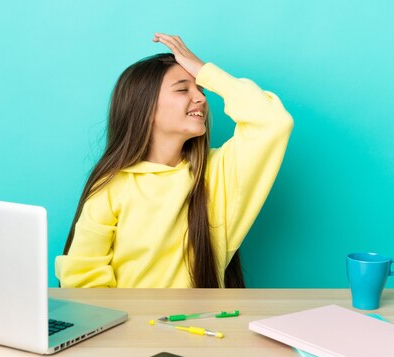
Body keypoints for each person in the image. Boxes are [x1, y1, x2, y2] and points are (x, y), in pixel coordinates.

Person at [56, 33, 293, 288]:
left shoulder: (217, 173)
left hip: (202, 325)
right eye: (183, 89)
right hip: (132, 327)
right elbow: (82, 279)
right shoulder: (111, 187)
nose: (202, 98)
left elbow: (273, 121)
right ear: (144, 109)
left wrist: (205, 72)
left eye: (201, 89)